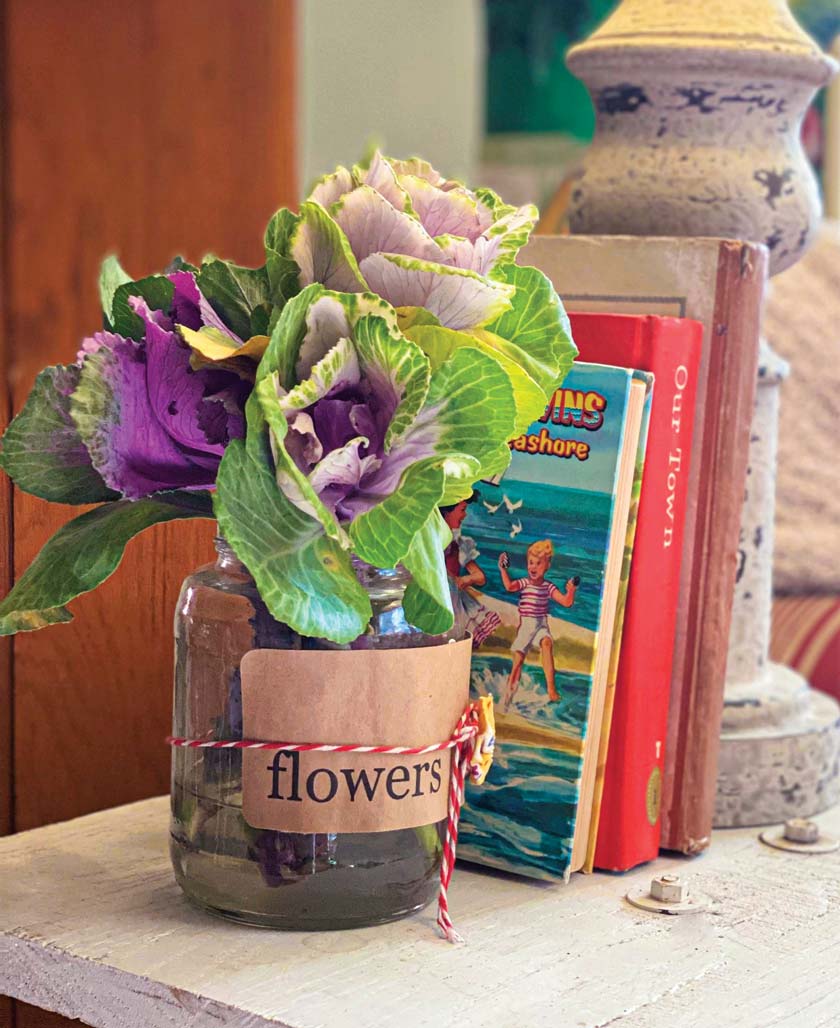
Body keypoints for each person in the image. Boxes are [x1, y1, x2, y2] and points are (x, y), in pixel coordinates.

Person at [498, 539, 578, 710]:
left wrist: (571, 591)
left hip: (541, 624)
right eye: (530, 563)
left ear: (547, 565)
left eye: (538, 563)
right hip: (526, 626)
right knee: (518, 662)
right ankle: (507, 698)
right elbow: (509, 586)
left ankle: (551, 689)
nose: (533, 567)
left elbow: (566, 602)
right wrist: (502, 569)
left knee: (547, 643)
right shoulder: (525, 583)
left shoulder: (548, 587)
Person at [440, 495, 501, 648]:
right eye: (462, 510)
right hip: (436, 599)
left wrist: (463, 580)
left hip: (453, 602)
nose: (464, 515)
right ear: (447, 512)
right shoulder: (430, 541)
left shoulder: (459, 543)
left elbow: (480, 577)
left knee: (456, 639)